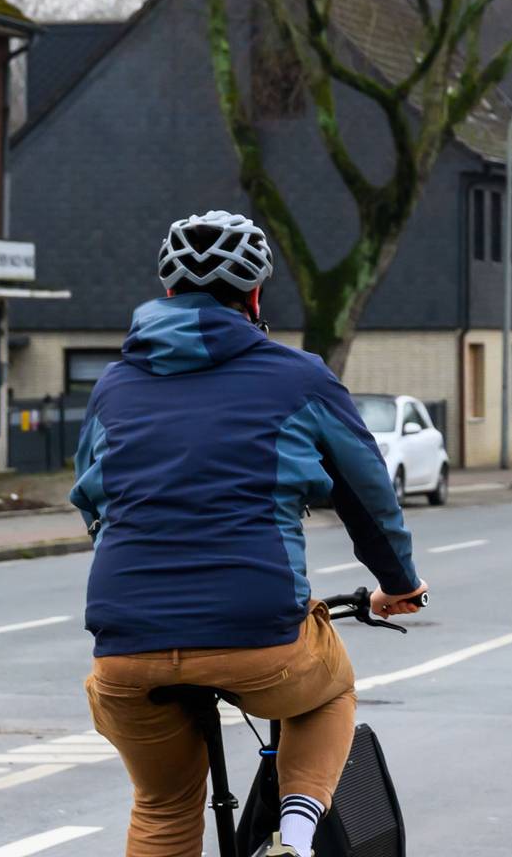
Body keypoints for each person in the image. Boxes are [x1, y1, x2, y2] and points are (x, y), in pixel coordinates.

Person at [72, 211, 427, 857]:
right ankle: (294, 839)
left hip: (127, 646)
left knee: (162, 805)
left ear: (168, 294)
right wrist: (398, 584)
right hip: (260, 636)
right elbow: (367, 494)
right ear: (257, 297)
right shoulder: (298, 378)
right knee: (330, 687)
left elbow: (93, 503)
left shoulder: (112, 387)